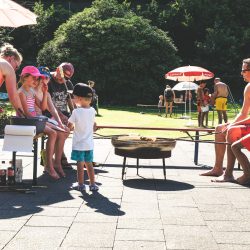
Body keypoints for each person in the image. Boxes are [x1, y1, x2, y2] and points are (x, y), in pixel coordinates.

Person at [200, 58, 250, 185]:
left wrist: (233, 125)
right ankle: (218, 168)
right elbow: (243, 113)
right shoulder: (248, 87)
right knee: (219, 128)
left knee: (231, 131)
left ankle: (228, 174)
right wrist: (232, 123)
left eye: (244, 70)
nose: (241, 73)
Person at [18, 66, 62, 180]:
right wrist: (42, 120)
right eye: (34, 78)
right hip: (28, 121)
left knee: (56, 131)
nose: (36, 81)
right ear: (24, 77)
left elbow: (42, 108)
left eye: (37, 79)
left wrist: (45, 91)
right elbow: (27, 114)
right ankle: (49, 166)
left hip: (35, 119)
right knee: (53, 133)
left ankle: (49, 164)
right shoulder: (21, 92)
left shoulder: (31, 90)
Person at [34, 66, 70, 177]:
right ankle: (49, 164)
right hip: (37, 119)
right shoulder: (33, 91)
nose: (45, 80)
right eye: (43, 77)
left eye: (47, 78)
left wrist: (59, 122)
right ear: (38, 78)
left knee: (65, 130)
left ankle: (57, 162)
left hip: (44, 119)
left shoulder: (46, 93)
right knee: (57, 133)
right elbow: (44, 109)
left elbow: (53, 109)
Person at [68, 83, 99, 192]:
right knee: (89, 164)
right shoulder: (92, 111)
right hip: (89, 144)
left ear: (80, 98)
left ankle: (80, 184)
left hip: (78, 145)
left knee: (80, 165)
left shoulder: (75, 112)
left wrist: (70, 128)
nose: (73, 99)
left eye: (74, 97)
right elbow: (93, 124)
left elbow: (69, 126)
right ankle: (92, 184)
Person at [48, 62, 74, 168]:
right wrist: (60, 116)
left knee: (69, 125)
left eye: (67, 78)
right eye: (62, 78)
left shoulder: (68, 83)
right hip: (49, 112)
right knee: (62, 130)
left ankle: (48, 155)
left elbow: (71, 103)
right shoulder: (47, 79)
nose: (63, 81)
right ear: (58, 70)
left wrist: (76, 115)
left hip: (64, 113)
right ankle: (59, 158)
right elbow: (48, 103)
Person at [0, 43, 23, 113]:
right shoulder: (6, 66)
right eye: (16, 66)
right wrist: (24, 115)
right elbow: (14, 96)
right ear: (11, 58)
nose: (15, 70)